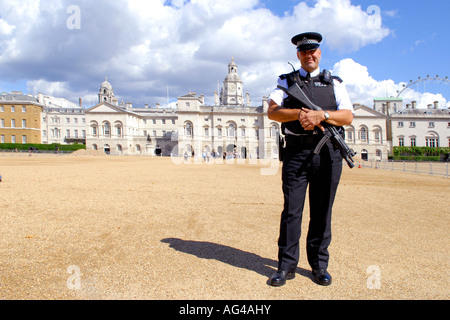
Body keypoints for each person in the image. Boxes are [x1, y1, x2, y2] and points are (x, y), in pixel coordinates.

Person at [267, 32, 354, 286]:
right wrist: (300, 113)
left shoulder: (334, 82)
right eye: (304, 51)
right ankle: (286, 266)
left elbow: (347, 116)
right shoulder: (285, 82)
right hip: (296, 154)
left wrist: (322, 116)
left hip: (328, 154)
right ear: (298, 55)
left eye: (313, 50)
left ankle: (318, 265)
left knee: (322, 212)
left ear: (319, 53)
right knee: (292, 212)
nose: (309, 55)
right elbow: (272, 111)